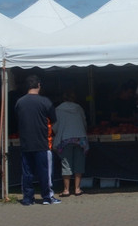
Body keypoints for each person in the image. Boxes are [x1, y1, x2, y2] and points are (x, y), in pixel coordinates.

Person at [15, 74, 59, 206]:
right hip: (42, 142)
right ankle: (47, 197)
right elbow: (54, 120)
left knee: (27, 172)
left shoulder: (19, 102)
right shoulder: (45, 101)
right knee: (45, 172)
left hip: (25, 143)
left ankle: (28, 198)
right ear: (38, 85)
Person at [52, 89, 88, 197]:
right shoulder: (78, 108)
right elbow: (84, 122)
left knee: (66, 164)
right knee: (79, 163)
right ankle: (77, 189)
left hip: (65, 139)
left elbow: (55, 126)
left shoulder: (58, 109)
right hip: (80, 138)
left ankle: (66, 190)